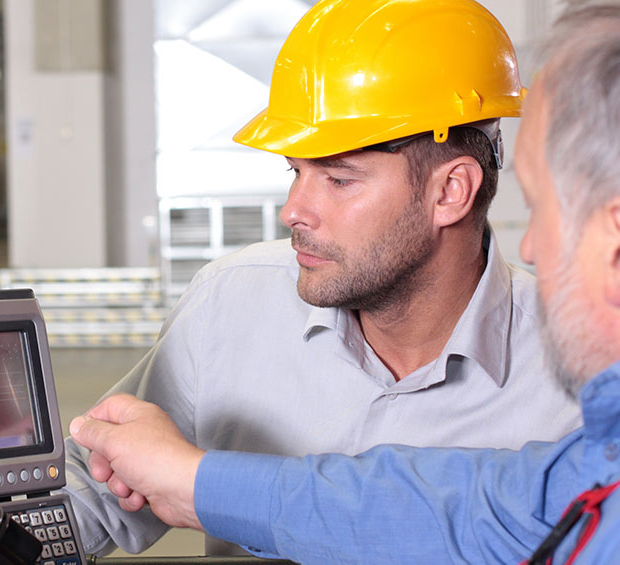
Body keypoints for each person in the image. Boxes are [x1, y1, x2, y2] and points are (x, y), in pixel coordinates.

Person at [69, 3, 620, 563]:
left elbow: (467, 515)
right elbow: (93, 487)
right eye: (295, 171)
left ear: (451, 191)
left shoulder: (574, 373)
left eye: (338, 178)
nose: (293, 211)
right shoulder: (229, 304)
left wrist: (199, 485)